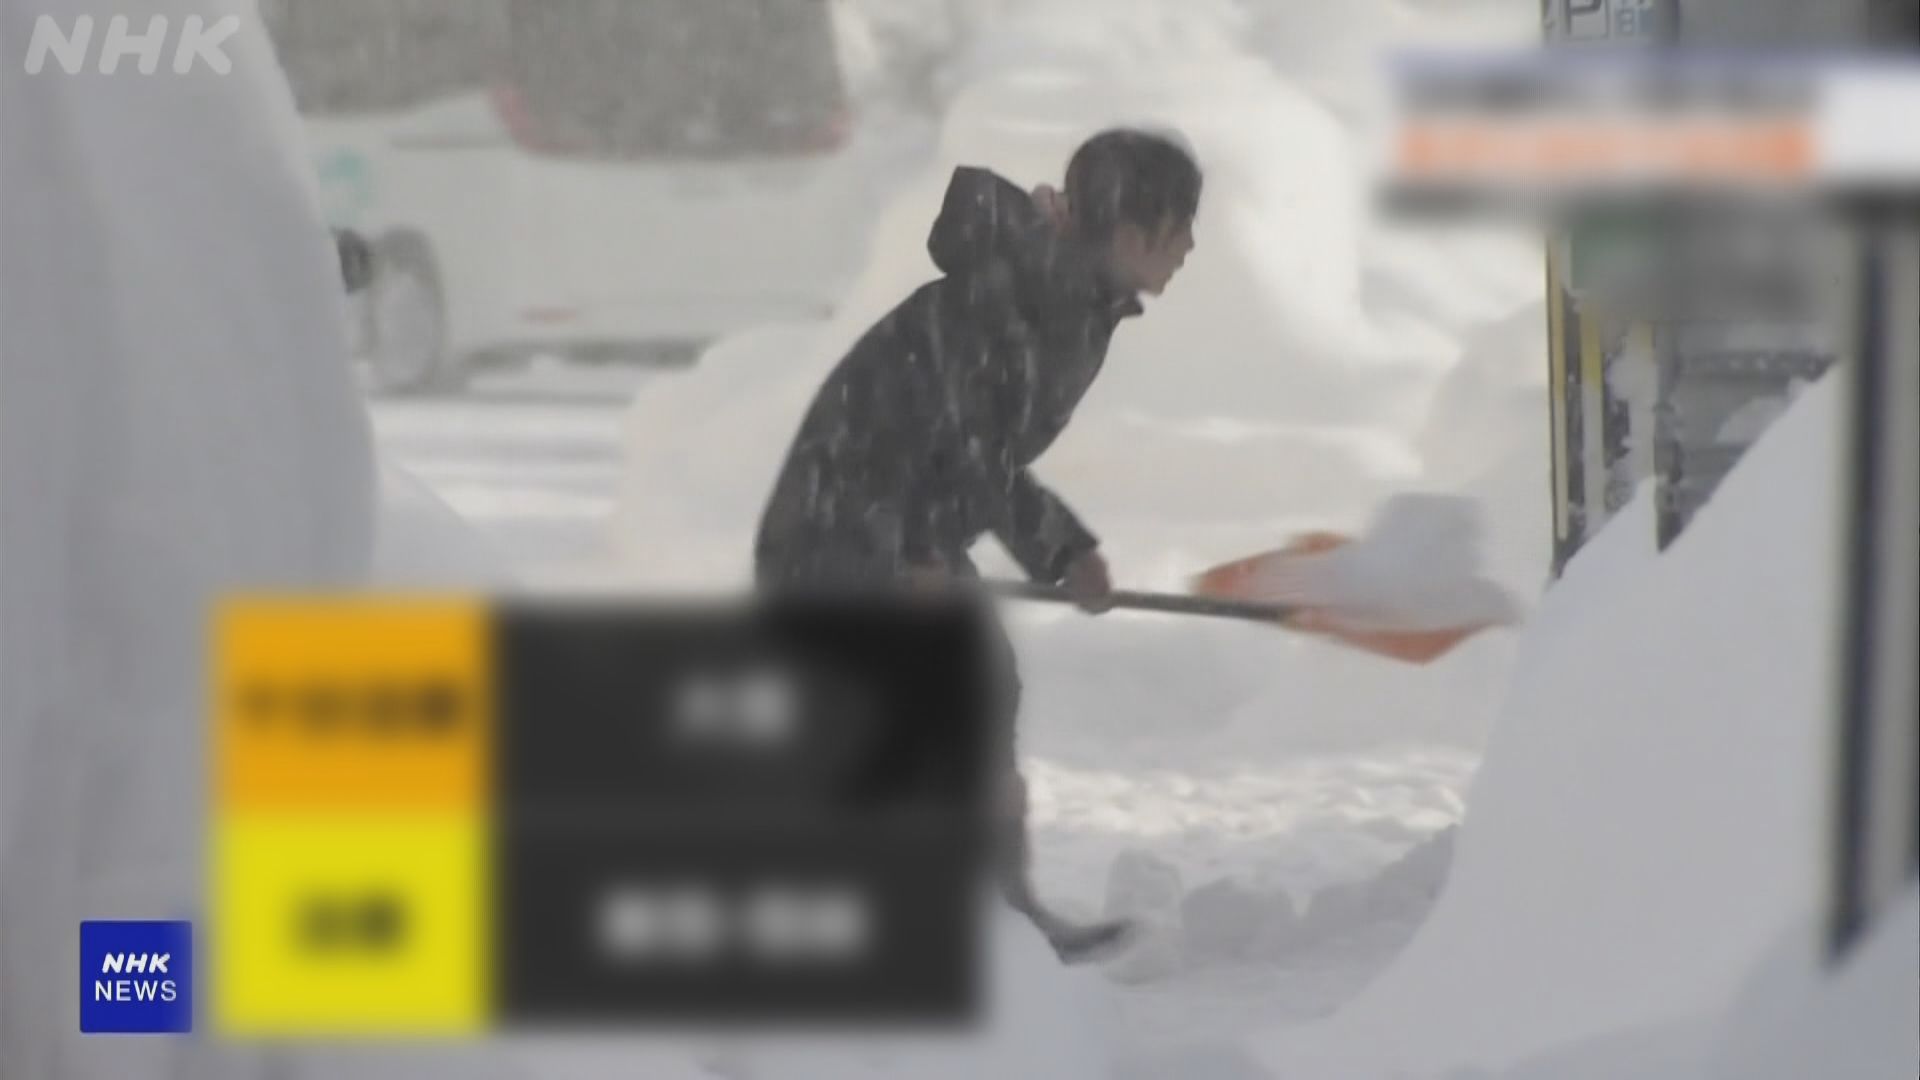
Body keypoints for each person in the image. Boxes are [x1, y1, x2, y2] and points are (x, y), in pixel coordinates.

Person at [754, 127, 1202, 960]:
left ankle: (992, 922)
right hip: (837, 528)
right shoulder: (1018, 293)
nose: (1190, 247)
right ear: (1137, 234)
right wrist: (914, 553)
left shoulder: (1068, 292)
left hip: (881, 519)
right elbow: (949, 436)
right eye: (1182, 228)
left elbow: (978, 451)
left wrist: (1063, 552)